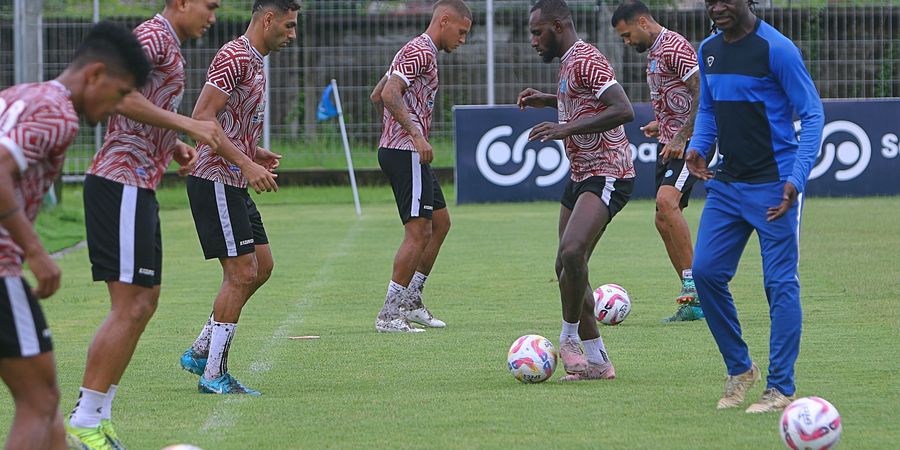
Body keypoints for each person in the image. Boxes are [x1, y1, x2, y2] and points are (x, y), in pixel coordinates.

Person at [65, 1, 224, 448]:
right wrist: (186, 124)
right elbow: (119, 94)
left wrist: (171, 142)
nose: (213, 14)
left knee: (145, 302)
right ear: (179, 3)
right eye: (208, 5)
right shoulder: (152, 37)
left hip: (138, 186)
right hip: (119, 184)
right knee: (130, 305)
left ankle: (98, 415)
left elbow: (139, 106)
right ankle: (86, 418)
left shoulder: (171, 43)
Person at [0, 22, 149, 450]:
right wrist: (37, 252)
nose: (119, 106)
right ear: (95, 75)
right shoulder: (58, 113)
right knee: (40, 401)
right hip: (2, 264)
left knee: (43, 404)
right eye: (121, 93)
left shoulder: (21, 94)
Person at [684, 0, 824, 413]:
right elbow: (708, 108)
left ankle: (780, 388)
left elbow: (813, 114)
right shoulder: (708, 49)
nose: (717, 6)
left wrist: (796, 179)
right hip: (727, 185)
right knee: (705, 273)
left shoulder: (777, 50)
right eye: (710, 0)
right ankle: (740, 369)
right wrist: (699, 147)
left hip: (774, 187)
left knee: (779, 284)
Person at [179, 0, 298, 396]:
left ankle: (200, 350)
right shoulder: (233, 55)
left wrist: (253, 151)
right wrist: (246, 164)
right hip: (214, 178)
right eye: (289, 25)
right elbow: (203, 118)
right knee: (241, 272)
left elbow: (228, 122)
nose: (292, 35)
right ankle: (214, 374)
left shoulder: (255, 60)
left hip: (233, 179)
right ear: (268, 20)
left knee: (261, 266)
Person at [517, 0, 635, 381]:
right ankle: (598, 362)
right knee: (566, 265)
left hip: (609, 172)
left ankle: (568, 339)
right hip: (581, 173)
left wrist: (563, 128)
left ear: (558, 26)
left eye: (538, 32)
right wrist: (550, 101)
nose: (533, 41)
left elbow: (623, 109)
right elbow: (581, 101)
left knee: (572, 252)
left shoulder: (587, 58)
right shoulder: (568, 62)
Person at [368, 0, 471, 333]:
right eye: (462, 32)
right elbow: (389, 94)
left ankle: (411, 301)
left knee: (440, 223)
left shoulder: (417, 51)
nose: (463, 39)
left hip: (407, 150)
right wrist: (414, 134)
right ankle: (387, 314)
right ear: (444, 21)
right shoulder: (420, 51)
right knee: (418, 232)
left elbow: (379, 93)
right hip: (404, 150)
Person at [611, 0, 709, 322]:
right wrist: (663, 122)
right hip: (671, 142)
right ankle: (691, 298)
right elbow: (677, 97)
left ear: (642, 22)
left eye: (627, 35)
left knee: (667, 202)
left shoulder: (674, 46)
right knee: (662, 218)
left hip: (691, 144)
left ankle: (701, 291)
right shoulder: (654, 52)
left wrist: (683, 134)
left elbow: (702, 92)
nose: (627, 43)